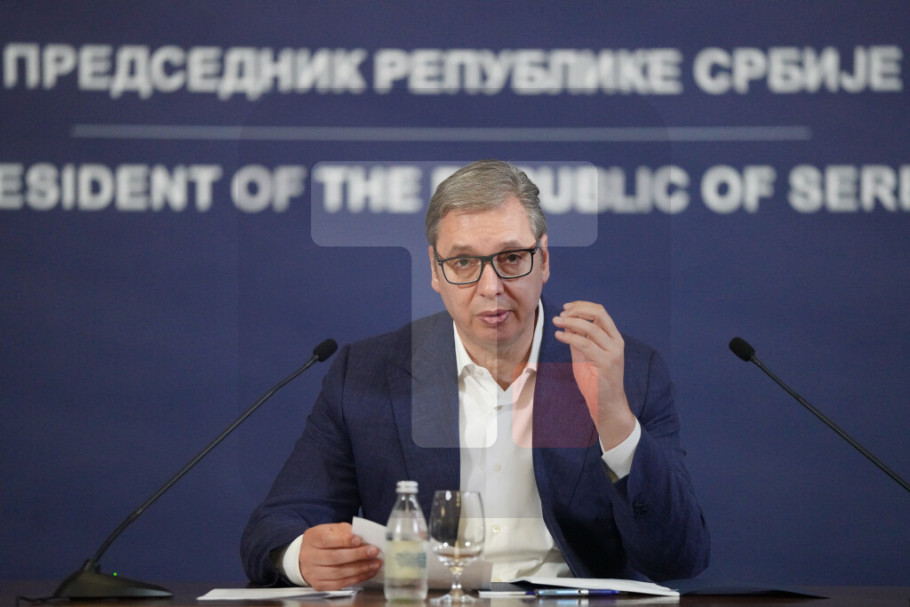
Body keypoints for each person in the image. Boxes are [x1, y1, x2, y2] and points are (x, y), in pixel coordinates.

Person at [241, 159, 710, 590]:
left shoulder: (626, 371)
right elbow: (276, 526)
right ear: (435, 270)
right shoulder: (366, 374)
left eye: (511, 258)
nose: (491, 287)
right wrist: (302, 557)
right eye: (463, 262)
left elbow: (679, 557)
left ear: (543, 260)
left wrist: (614, 419)